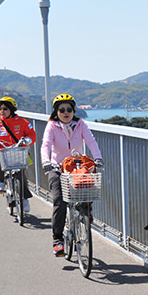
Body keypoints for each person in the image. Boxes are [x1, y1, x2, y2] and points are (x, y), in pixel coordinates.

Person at [40, 94, 104, 257]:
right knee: (59, 201)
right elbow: (46, 144)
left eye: (69, 109)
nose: (66, 112)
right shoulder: (52, 126)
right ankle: (57, 240)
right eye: (61, 110)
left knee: (89, 185)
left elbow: (91, 141)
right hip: (57, 167)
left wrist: (98, 158)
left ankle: (86, 210)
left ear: (74, 111)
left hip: (77, 167)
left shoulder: (80, 124)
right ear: (56, 112)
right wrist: (46, 161)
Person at [0, 96, 36, 212]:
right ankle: (0, 181)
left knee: (21, 176)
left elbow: (32, 134)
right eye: (1, 109)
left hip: (18, 153)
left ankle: (25, 200)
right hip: (3, 153)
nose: (2, 111)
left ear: (11, 110)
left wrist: (28, 140)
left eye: (5, 109)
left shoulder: (23, 122)